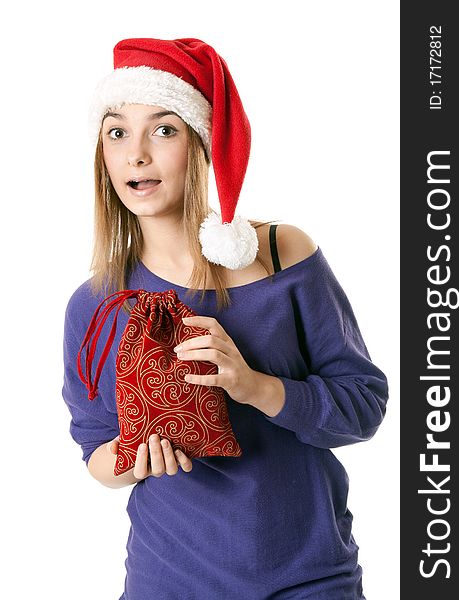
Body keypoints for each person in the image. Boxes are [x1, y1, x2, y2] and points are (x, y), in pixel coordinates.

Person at [61, 37, 389, 600]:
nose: (136, 154)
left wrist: (253, 385)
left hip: (309, 578)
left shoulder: (284, 255)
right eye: (117, 132)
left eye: (163, 129)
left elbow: (363, 408)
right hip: (169, 582)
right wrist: (137, 455)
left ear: (203, 144)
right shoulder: (97, 302)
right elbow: (96, 451)